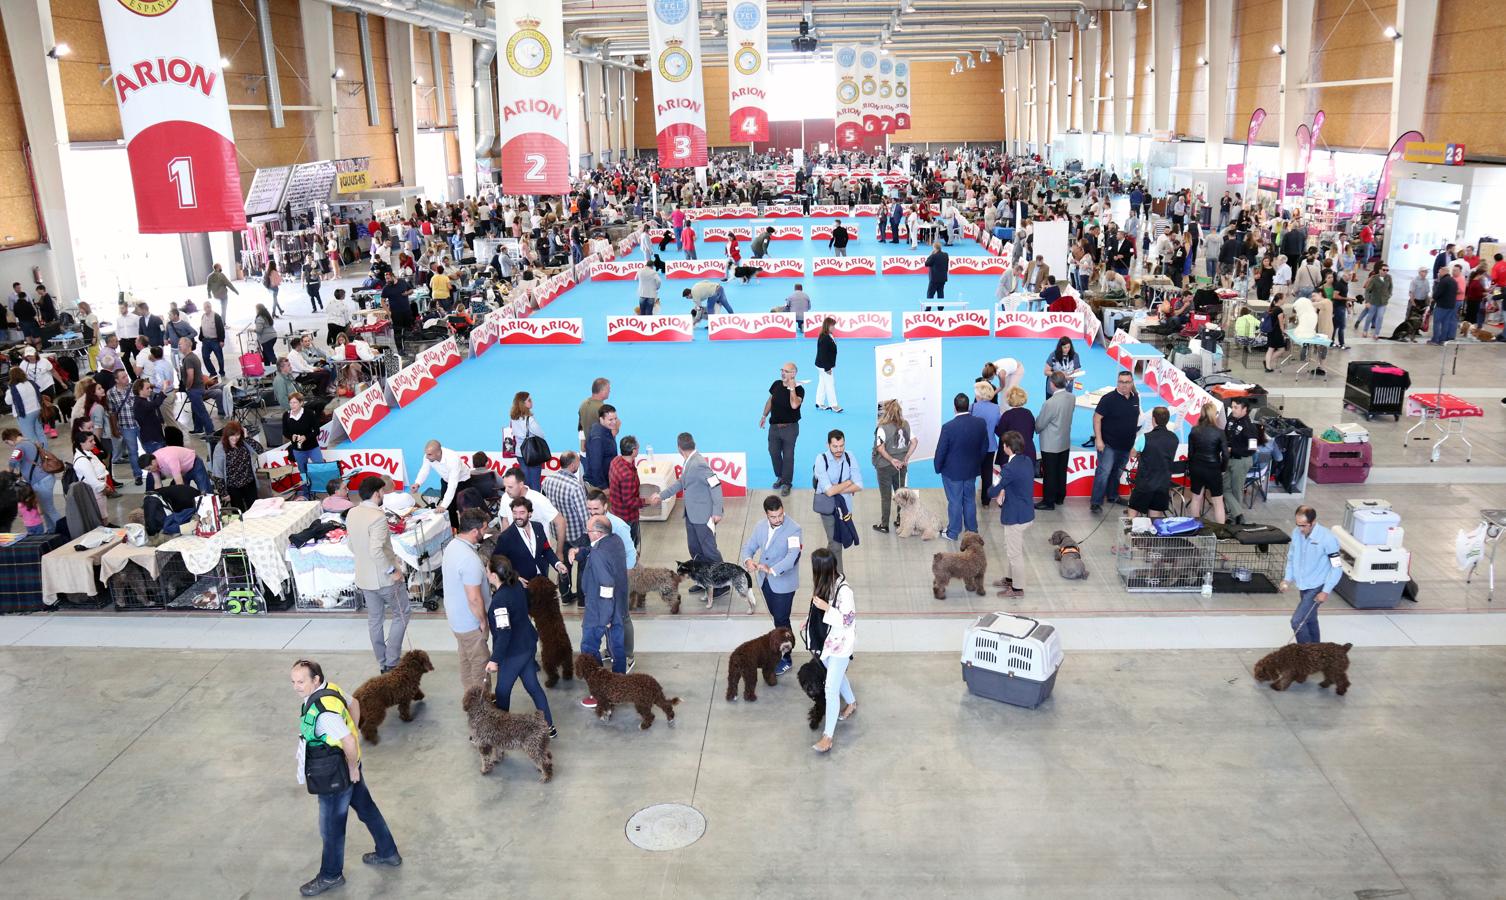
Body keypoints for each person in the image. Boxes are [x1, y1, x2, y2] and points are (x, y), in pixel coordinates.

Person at [290, 659, 400, 898]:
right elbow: (354, 703)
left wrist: (351, 768)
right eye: (294, 681)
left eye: (301, 681)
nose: (296, 686)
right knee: (367, 809)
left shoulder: (324, 712)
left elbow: (348, 741)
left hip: (335, 775)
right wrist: (354, 731)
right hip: (348, 765)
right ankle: (387, 852)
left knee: (331, 828)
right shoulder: (332, 689)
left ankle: (331, 875)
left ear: (315, 679)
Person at [484, 554, 555, 736]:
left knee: (502, 691)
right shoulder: (515, 585)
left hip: (514, 652)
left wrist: (495, 659)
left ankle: (500, 731)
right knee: (533, 686)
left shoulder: (500, 600)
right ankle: (549, 726)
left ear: (493, 576)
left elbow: (504, 632)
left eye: (487, 569)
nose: (485, 572)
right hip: (528, 643)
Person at [647, 433, 726, 597]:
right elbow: (681, 483)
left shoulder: (698, 464)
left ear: (679, 448)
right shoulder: (689, 461)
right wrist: (661, 495)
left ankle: (721, 584)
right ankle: (704, 580)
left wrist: (717, 511)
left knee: (709, 551)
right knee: (695, 549)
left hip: (703, 517)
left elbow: (716, 486)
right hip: (691, 515)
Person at [348, 476, 411, 673]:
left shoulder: (352, 512)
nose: (384, 495)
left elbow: (351, 544)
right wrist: (393, 571)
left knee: (375, 620)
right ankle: (392, 661)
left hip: (364, 578)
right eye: (383, 492)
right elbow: (376, 550)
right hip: (385, 579)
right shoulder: (377, 517)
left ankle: (382, 661)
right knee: (402, 614)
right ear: (376, 493)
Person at [741, 495, 803, 667]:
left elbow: (792, 557)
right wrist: (748, 560)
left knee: (782, 620)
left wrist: (771, 569)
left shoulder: (794, 529)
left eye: (780, 515)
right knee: (777, 619)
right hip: (765, 582)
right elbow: (749, 546)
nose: (777, 519)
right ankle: (781, 647)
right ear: (766, 514)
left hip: (784, 584)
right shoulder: (760, 526)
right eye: (773, 517)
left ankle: (786, 657)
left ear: (783, 510)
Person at [809, 548, 857, 754]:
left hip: (840, 645)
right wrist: (809, 621)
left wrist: (827, 609)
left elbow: (848, 619)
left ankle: (828, 737)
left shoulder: (844, 591)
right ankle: (852, 703)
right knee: (835, 677)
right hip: (828, 642)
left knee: (830, 689)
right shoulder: (826, 583)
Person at [579, 514, 630, 705]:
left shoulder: (599, 553)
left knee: (589, 648)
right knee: (617, 647)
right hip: (618, 606)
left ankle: (599, 691)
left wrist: (605, 617)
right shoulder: (615, 541)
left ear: (598, 533)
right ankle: (620, 686)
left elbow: (606, 586)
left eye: (589, 531)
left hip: (599, 610)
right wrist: (582, 551)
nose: (587, 533)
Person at [441, 508, 492, 697]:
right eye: (484, 529)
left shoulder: (453, 546)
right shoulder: (469, 559)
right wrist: (482, 621)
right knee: (480, 664)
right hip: (471, 623)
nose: (485, 532)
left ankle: (469, 698)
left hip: (456, 619)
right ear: (474, 531)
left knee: (465, 659)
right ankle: (482, 706)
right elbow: (474, 597)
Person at [1282, 506, 1342, 644]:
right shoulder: (1297, 533)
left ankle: (1307, 654)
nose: (1301, 529)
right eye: (1298, 525)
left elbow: (1337, 567)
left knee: (1297, 621)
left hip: (1317, 586)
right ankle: (1318, 651)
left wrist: (1326, 591)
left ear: (1313, 521)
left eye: (1304, 525)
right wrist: (1287, 579)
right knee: (1310, 619)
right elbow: (1291, 558)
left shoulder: (1328, 538)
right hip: (1303, 585)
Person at [986, 430, 1034, 599]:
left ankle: (1017, 588)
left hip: (1015, 516)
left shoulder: (1009, 469)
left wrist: (997, 490)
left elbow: (992, 491)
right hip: (1026, 512)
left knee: (1015, 554)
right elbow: (1017, 483)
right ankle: (1009, 579)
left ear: (1007, 448)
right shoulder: (1027, 460)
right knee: (1011, 548)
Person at [934, 393, 988, 542]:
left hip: (952, 472)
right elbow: (985, 447)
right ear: (968, 406)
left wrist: (938, 468)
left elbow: (941, 451)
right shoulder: (980, 423)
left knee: (955, 501)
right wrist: (977, 462)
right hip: (971, 470)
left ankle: (952, 532)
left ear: (954, 408)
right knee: (969, 500)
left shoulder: (948, 427)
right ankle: (972, 530)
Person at [810, 429, 863, 569]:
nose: (839, 449)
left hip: (845, 508)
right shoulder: (821, 459)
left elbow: (859, 485)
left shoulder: (850, 456)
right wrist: (847, 483)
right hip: (828, 509)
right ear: (828, 445)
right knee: (836, 543)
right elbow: (828, 491)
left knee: (836, 542)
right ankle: (839, 577)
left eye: (842, 446)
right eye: (835, 446)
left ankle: (825, 563)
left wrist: (837, 488)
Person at [1090, 370, 1139, 514]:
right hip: (1109, 444)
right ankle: (1096, 502)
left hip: (1126, 444)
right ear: (1117, 382)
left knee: (1117, 472)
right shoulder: (1108, 399)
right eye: (1121, 382)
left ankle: (1112, 496)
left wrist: (1134, 444)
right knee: (1103, 472)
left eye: (1127, 382)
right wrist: (1099, 439)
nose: (1123, 385)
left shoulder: (1135, 398)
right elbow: (1096, 418)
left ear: (1132, 383)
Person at [760, 361, 804, 497]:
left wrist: (792, 388)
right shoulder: (776, 384)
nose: (782, 373)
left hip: (790, 428)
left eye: (786, 371)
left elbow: (794, 405)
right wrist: (764, 415)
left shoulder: (800, 389)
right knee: (773, 452)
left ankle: (786, 483)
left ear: (793, 373)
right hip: (774, 427)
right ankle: (780, 476)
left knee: (788, 456)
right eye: (782, 370)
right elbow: (770, 400)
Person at [870, 399, 914, 533]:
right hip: (901, 466)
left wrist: (891, 459)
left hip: (885, 466)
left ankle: (884, 525)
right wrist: (906, 457)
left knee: (886, 496)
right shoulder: (905, 424)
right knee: (901, 493)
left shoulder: (882, 428)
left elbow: (880, 448)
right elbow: (915, 442)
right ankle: (901, 520)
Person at [1034, 372, 1075, 510]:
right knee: (1061, 470)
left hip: (1050, 443)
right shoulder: (1071, 397)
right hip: (1064, 441)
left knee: (1050, 473)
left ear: (1052, 384)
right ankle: (1060, 497)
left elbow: (1040, 424)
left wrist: (1036, 426)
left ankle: (1048, 501)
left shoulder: (1050, 403)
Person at [1127, 406, 1178, 518]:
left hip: (1145, 483)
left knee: (1133, 510)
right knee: (1154, 516)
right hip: (1163, 484)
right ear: (1167, 420)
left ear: (1153, 419)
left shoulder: (1144, 438)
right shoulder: (1174, 438)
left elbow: (1133, 453)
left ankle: (1130, 533)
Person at [4, 427, 59, 530]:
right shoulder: (30, 441)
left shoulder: (19, 447)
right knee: (47, 509)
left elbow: (12, 463)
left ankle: (64, 530)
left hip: (40, 480)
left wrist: (7, 474)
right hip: (45, 477)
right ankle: (52, 531)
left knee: (50, 510)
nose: (9, 445)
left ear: (10, 439)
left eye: (7, 442)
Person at [1185, 402, 1228, 523]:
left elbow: (1190, 453)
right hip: (1213, 469)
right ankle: (1220, 532)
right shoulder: (1220, 432)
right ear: (1214, 414)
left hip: (1197, 468)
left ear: (1202, 413)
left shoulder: (1194, 430)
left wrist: (1191, 468)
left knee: (1196, 498)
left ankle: (1195, 529)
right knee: (1218, 502)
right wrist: (1223, 469)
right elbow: (1225, 454)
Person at [209, 420, 263, 512]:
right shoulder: (220, 448)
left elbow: (260, 450)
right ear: (227, 435)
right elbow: (218, 472)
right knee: (239, 513)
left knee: (255, 510)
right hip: (233, 487)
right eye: (232, 435)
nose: (235, 438)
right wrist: (224, 493)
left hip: (249, 482)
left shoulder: (244, 442)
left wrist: (247, 438)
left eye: (237, 435)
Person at [1222, 397, 1258, 524]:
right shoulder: (1231, 419)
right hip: (1230, 459)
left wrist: (1233, 449)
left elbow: (1252, 449)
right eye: (1232, 407)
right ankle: (1238, 514)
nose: (1233, 410)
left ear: (1245, 410)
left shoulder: (1250, 427)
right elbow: (1226, 434)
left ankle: (1234, 518)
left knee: (1236, 489)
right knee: (1224, 487)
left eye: (1236, 407)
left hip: (1242, 460)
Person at [283, 393, 325, 501]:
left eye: (295, 402)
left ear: (301, 403)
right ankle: (306, 493)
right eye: (291, 402)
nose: (292, 405)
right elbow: (285, 432)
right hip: (298, 449)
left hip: (312, 447)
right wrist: (291, 436)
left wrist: (306, 437)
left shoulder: (309, 413)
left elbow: (317, 430)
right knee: (302, 472)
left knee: (320, 467)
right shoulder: (286, 415)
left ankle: (321, 489)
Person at [607, 435, 645, 550]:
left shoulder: (616, 461)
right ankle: (631, 566)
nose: (638, 448)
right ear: (633, 451)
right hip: (628, 517)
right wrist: (647, 501)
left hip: (616, 512)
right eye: (637, 447)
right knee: (630, 546)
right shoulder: (627, 474)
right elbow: (629, 501)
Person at [408, 439, 466, 514]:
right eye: (426, 454)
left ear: (438, 453)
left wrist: (443, 505)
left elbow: (452, 485)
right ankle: (453, 526)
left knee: (463, 507)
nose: (427, 457)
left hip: (463, 481)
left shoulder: (453, 459)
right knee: (449, 509)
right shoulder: (428, 456)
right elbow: (424, 470)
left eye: (429, 454)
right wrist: (418, 483)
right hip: (446, 480)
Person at [972, 382, 1003, 506]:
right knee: (987, 473)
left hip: (974, 446)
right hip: (990, 445)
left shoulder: (972, 407)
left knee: (971, 472)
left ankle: (969, 497)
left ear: (979, 394)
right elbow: (998, 425)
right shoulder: (996, 408)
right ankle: (986, 500)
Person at [509, 391, 547, 490]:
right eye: (529, 400)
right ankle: (535, 503)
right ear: (523, 403)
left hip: (519, 452)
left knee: (525, 481)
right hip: (532, 453)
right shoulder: (529, 420)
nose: (531, 402)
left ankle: (525, 501)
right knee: (535, 482)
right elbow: (541, 434)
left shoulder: (513, 418)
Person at [142, 444, 213, 494]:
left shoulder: (169, 459)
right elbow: (158, 483)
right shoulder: (153, 463)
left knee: (205, 491)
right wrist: (158, 497)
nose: (149, 471)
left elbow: (179, 483)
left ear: (153, 462)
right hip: (182, 471)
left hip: (195, 464)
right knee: (181, 494)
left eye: (149, 469)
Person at [71, 433, 110, 519]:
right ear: (81, 443)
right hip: (96, 491)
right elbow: (92, 481)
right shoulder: (82, 460)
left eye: (94, 440)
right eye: (91, 441)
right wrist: (103, 488)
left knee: (103, 514)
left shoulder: (88, 453)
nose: (94, 443)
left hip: (99, 489)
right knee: (101, 517)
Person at [7, 367, 46, 447]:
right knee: (40, 433)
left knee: (30, 436)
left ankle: (38, 456)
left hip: (25, 414)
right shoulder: (31, 383)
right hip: (37, 410)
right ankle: (46, 452)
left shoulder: (13, 388)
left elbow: (8, 401)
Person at [583, 404, 618, 490]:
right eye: (610, 419)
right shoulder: (597, 438)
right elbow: (596, 465)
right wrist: (603, 487)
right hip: (599, 486)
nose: (614, 422)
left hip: (605, 480)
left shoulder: (605, 429)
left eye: (615, 419)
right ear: (601, 419)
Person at [813, 317, 842, 413]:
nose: (834, 327)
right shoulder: (825, 338)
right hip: (824, 365)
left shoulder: (828, 335)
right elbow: (823, 354)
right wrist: (827, 368)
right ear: (828, 326)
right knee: (830, 384)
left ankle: (819, 402)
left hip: (822, 364)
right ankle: (834, 405)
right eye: (832, 325)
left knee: (823, 383)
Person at [577, 377, 610, 452]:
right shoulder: (603, 409)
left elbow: (580, 426)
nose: (609, 391)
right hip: (600, 449)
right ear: (602, 391)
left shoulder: (583, 404)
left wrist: (582, 444)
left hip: (588, 448)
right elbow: (610, 432)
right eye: (608, 389)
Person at [1430, 261, 1459, 344]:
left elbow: (1437, 293)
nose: (1439, 274)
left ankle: (1435, 340)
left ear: (1443, 272)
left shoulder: (1443, 281)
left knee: (1437, 322)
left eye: (1439, 272)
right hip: (1451, 305)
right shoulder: (1453, 281)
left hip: (1442, 305)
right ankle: (1442, 339)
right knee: (1445, 323)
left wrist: (1433, 298)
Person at [1262, 297, 1288, 373]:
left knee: (1271, 348)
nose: (1284, 300)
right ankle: (1267, 364)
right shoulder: (1279, 310)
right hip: (1276, 332)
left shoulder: (1272, 309)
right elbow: (1281, 323)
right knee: (1281, 349)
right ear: (1280, 299)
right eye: (1283, 298)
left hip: (1270, 331)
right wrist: (1283, 332)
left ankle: (1267, 363)